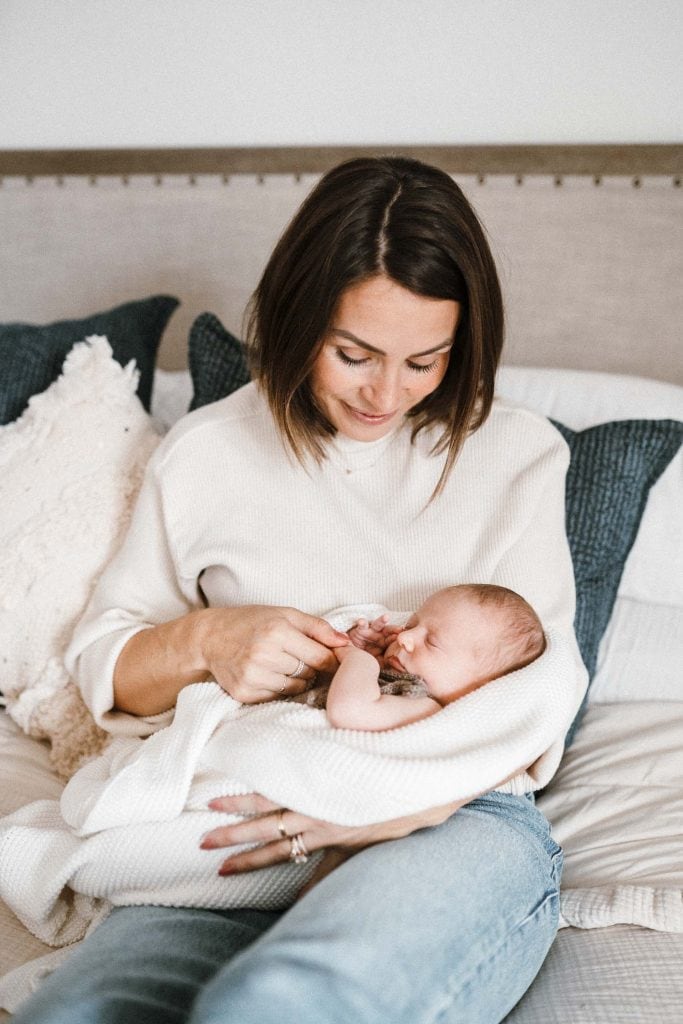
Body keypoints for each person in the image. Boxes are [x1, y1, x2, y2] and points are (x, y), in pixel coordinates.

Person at [12, 156, 587, 1024]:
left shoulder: (516, 454)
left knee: (283, 1002)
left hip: (443, 817)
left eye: (424, 360)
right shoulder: (206, 452)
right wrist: (209, 641)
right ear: (294, 320)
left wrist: (389, 811)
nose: (385, 393)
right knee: (86, 1015)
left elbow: (545, 686)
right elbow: (104, 664)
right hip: (219, 840)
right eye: (353, 354)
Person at [327, 583, 546, 731]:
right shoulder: (389, 675)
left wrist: (357, 659)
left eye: (431, 642)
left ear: (479, 690)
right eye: (409, 625)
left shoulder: (425, 708)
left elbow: (349, 710)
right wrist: (362, 650)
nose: (404, 637)